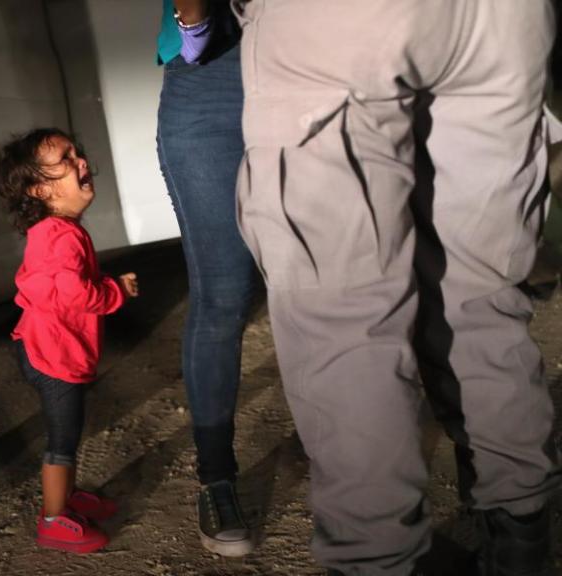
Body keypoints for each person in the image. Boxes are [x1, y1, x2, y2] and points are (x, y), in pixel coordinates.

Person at [229, 0, 560, 574]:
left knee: (344, 314)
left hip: (342, 23)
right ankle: (521, 537)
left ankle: (379, 557)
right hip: (508, 19)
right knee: (483, 294)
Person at [0, 128, 139, 554]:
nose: (80, 161)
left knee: (69, 435)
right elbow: (77, 296)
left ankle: (67, 498)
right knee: (63, 440)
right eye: (65, 158)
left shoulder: (52, 231)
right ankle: (53, 520)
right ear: (41, 189)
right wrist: (116, 291)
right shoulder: (64, 237)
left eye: (78, 152)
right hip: (52, 356)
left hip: (41, 345)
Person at [156, 0, 260, 557]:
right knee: (223, 296)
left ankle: (355, 480)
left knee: (319, 287)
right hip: (212, 83)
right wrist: (194, 24)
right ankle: (216, 478)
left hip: (306, 65)